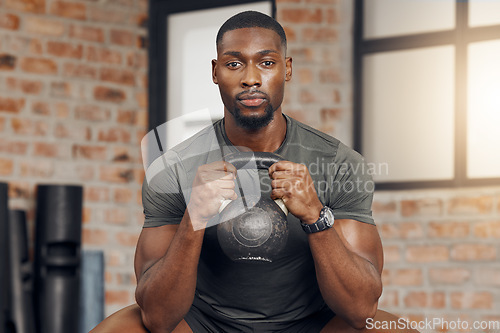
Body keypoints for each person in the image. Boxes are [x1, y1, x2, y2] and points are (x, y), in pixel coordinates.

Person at [92, 11, 417, 333]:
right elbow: (157, 317)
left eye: (266, 62)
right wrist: (195, 217)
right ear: (216, 72)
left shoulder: (340, 164)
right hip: (205, 324)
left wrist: (316, 216)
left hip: (310, 324)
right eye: (234, 64)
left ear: (286, 70)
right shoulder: (173, 169)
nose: (250, 78)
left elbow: (361, 310)